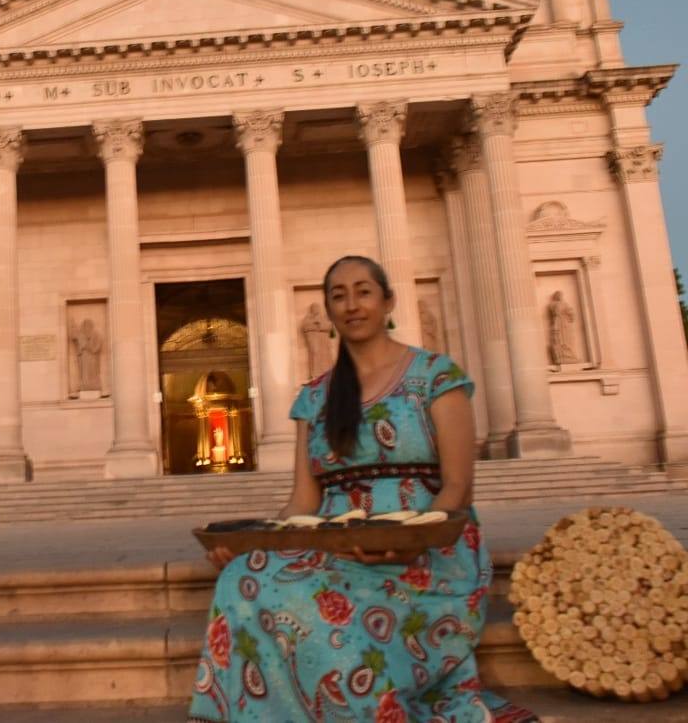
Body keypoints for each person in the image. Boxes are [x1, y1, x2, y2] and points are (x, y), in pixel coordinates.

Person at [188, 255, 536, 722]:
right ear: (328, 313)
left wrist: (409, 541)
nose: (352, 304)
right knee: (242, 576)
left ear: (388, 301)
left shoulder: (437, 376)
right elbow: (303, 502)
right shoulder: (314, 397)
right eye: (338, 295)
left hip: (428, 551)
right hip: (336, 546)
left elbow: (458, 486)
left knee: (326, 614)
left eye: (363, 291)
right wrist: (251, 544)